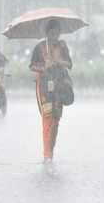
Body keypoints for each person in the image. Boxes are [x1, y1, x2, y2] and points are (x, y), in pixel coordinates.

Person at [29, 20, 72, 164]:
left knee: (56, 120)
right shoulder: (40, 47)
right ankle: (47, 154)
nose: (56, 35)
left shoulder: (63, 46)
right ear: (47, 33)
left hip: (59, 87)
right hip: (44, 88)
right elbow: (32, 66)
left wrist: (59, 62)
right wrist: (44, 66)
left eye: (58, 32)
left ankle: (51, 150)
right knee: (47, 118)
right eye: (53, 32)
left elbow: (70, 64)